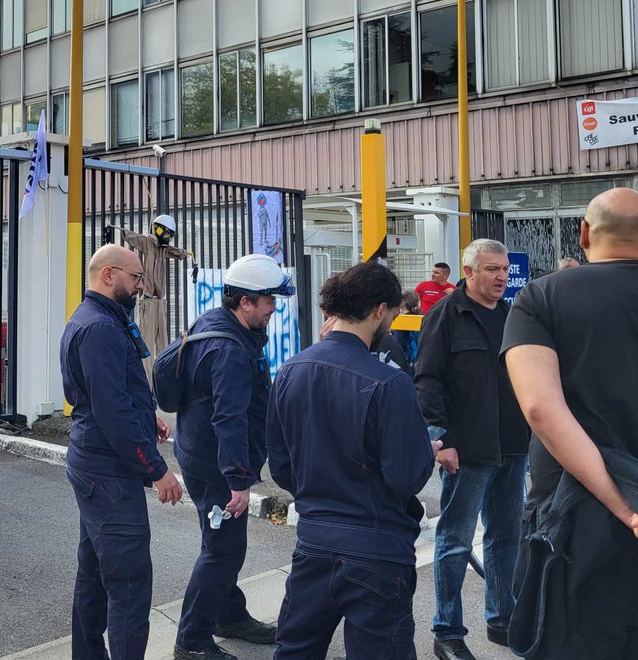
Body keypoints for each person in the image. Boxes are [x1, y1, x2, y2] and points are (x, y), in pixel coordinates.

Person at [503, 187, 638, 658]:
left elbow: (541, 409)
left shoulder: (540, 298)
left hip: (572, 525)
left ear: (584, 233)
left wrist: (626, 510)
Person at [267, 262, 438, 659]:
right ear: (379, 310)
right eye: (394, 314)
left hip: (313, 541)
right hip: (378, 548)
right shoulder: (390, 382)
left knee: (295, 649)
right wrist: (425, 451)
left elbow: (281, 464)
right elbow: (406, 476)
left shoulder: (290, 370)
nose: (394, 324)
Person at [61, 244, 184, 660]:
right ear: (108, 275)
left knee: (95, 573)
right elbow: (111, 411)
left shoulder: (105, 320)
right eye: (135, 277)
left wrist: (148, 416)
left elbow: (118, 389)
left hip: (97, 464)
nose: (140, 286)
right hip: (107, 471)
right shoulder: (99, 328)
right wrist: (156, 469)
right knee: (129, 583)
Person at [172, 253, 293, 660]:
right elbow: (229, 418)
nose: (273, 309)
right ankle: (191, 640)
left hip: (198, 451)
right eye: (268, 301)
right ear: (245, 302)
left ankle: (229, 616)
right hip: (215, 465)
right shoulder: (230, 351)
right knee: (223, 551)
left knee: (220, 545)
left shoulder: (214, 322)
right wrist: (239, 480)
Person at [414, 239, 529, 660]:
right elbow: (427, 379)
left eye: (503, 269)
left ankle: (502, 620)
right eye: (492, 269)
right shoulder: (445, 315)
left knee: (506, 536)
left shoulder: (512, 315)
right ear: (469, 272)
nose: (501, 276)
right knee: (456, 540)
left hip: (513, 444)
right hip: (467, 448)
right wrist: (440, 438)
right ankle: (446, 631)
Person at [110, 214, 195, 369]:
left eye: (170, 235)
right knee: (147, 343)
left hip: (160, 301)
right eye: (166, 233)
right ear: (157, 229)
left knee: (163, 343)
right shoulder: (147, 242)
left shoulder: (164, 249)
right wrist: (121, 230)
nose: (167, 238)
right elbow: (134, 237)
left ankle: (162, 379)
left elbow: (175, 252)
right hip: (148, 300)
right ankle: (148, 383)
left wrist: (184, 253)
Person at [392, 289, 421, 368]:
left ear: (403, 302)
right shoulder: (421, 316)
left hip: (407, 360)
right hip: (420, 359)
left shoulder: (401, 319)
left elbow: (399, 342)